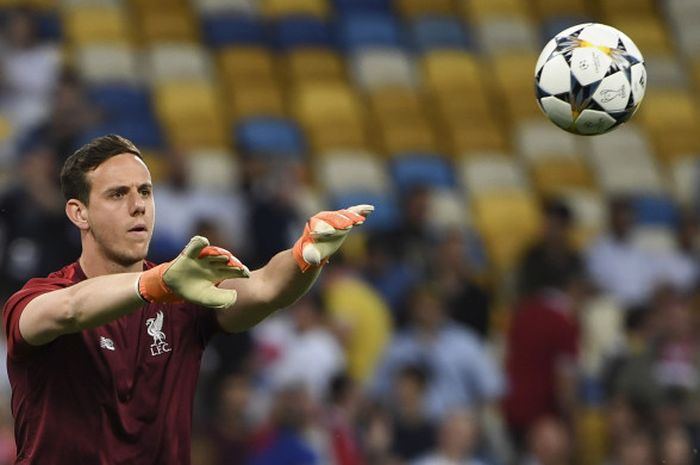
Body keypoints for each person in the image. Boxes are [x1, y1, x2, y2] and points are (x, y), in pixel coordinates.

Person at [2, 134, 373, 464]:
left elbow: (265, 288)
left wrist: (306, 256)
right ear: (78, 212)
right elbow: (70, 309)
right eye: (118, 194)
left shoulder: (182, 291)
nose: (138, 206)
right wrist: (158, 283)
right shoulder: (38, 297)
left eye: (145, 191)